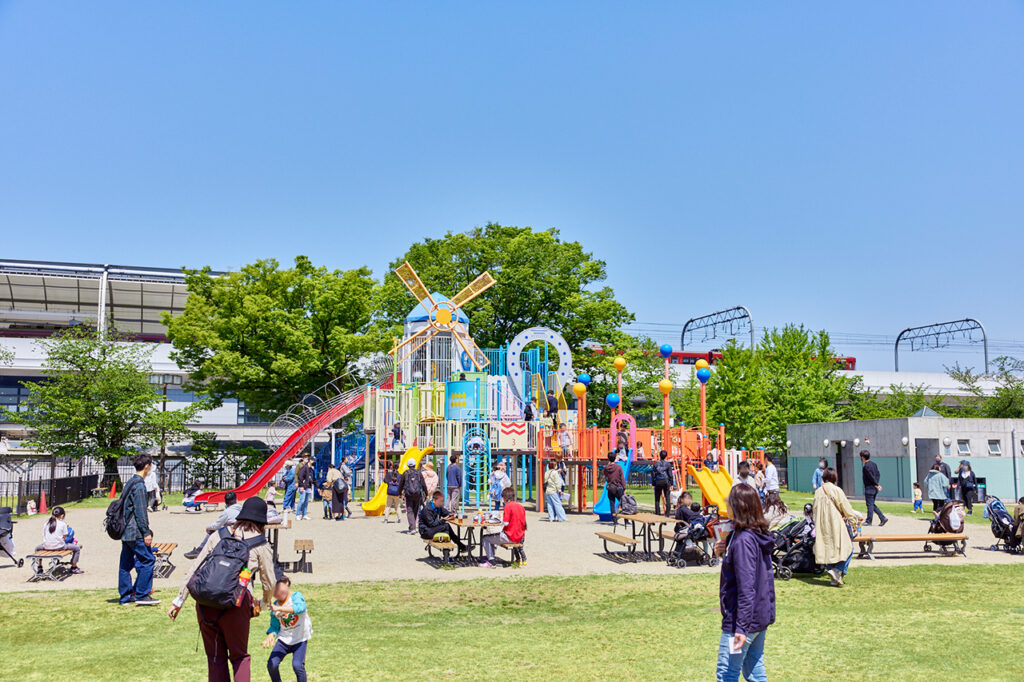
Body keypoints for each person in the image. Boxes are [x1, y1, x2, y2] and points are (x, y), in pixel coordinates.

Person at [169, 497, 277, 682]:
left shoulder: (218, 534)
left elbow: (195, 568)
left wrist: (179, 600)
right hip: (237, 603)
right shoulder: (260, 544)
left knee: (215, 658)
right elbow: (270, 581)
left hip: (206, 602)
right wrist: (264, 604)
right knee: (239, 657)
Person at [714, 484, 775, 682]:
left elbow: (747, 588)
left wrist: (740, 628)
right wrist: (723, 550)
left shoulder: (744, 541)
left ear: (738, 507)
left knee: (726, 674)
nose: (726, 505)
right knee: (754, 671)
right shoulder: (749, 535)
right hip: (758, 617)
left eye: (729, 502)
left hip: (743, 622)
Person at [812, 467, 863, 587]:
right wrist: (853, 522)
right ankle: (837, 571)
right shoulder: (837, 490)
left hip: (822, 524)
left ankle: (834, 578)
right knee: (848, 548)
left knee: (829, 550)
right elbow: (846, 507)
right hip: (836, 523)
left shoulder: (818, 491)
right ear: (834, 477)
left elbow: (814, 510)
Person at [119, 453, 159, 605]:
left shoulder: (129, 483)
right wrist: (146, 532)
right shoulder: (140, 485)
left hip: (125, 530)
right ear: (147, 466)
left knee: (125, 564)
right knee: (148, 559)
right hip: (135, 531)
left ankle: (125, 596)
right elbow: (141, 512)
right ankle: (142, 594)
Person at [263, 576, 312, 682]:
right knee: (272, 664)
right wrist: (271, 634)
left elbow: (300, 608)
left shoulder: (296, 597)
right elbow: (275, 625)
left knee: (297, 666)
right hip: (284, 640)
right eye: (273, 591)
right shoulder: (275, 606)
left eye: (277, 588)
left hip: (300, 639)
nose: (275, 593)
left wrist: (280, 608)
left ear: (286, 583)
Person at [185, 491, 242, 559]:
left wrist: (208, 527)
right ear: (236, 500)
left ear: (225, 502)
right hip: (240, 531)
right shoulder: (242, 509)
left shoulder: (227, 512)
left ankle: (200, 550)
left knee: (211, 532)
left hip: (231, 533)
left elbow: (217, 525)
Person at [481, 487, 527, 567]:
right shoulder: (520, 507)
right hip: (520, 536)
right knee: (492, 536)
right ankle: (491, 557)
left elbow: (505, 523)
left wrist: (500, 518)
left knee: (485, 538)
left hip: (510, 536)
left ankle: (491, 561)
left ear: (505, 498)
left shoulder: (508, 506)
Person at [35, 506, 82, 574]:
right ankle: (74, 567)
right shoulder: (63, 524)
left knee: (37, 548)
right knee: (77, 548)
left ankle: (39, 567)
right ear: (62, 515)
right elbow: (65, 537)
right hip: (59, 547)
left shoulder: (46, 523)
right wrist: (66, 527)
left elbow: (44, 535)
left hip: (46, 546)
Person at [859, 450, 888, 527]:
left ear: (862, 457)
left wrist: (876, 484)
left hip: (870, 487)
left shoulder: (866, 466)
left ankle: (869, 521)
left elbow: (870, 476)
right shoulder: (874, 464)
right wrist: (877, 483)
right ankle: (882, 518)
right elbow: (878, 474)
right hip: (874, 488)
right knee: (871, 504)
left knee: (869, 505)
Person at [400, 458, 426, 533]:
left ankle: (412, 528)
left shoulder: (405, 473)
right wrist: (426, 493)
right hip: (418, 494)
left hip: (408, 494)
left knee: (409, 510)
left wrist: (399, 493)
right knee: (415, 510)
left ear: (408, 465)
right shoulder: (419, 473)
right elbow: (423, 484)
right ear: (415, 465)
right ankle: (413, 526)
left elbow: (401, 484)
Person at [604, 452, 626, 523]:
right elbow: (622, 478)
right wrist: (624, 487)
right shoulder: (619, 467)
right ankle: (626, 519)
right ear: (615, 458)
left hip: (610, 487)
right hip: (617, 487)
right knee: (623, 503)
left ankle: (614, 520)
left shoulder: (606, 468)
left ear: (608, 458)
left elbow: (605, 475)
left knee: (612, 503)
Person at [651, 450, 675, 516]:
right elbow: (670, 475)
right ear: (666, 456)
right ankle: (667, 514)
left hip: (658, 482)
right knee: (667, 498)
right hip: (666, 482)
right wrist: (671, 484)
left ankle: (657, 513)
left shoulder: (655, 464)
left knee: (657, 499)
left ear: (660, 455)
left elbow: (653, 474)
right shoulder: (668, 464)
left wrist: (653, 483)